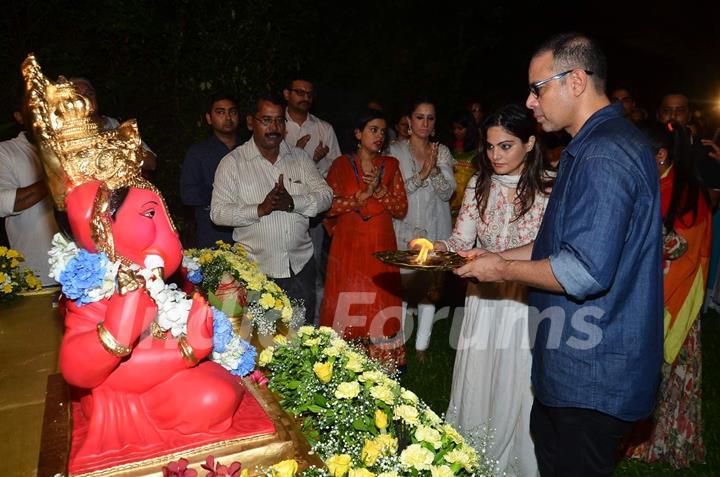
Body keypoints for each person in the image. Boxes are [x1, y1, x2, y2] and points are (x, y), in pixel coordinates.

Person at [455, 33, 663, 476]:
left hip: (592, 371)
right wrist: (488, 258)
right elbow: (554, 246)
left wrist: (503, 268)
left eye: (538, 88)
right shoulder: (586, 148)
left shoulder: (604, 154)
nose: (530, 103)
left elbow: (583, 270)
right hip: (569, 368)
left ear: (576, 81)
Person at [438, 104, 552, 476]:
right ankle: (470, 455)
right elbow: (461, 241)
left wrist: (497, 261)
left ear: (530, 142)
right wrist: (437, 250)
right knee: (478, 376)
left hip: (523, 300)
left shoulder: (550, 187)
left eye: (506, 146)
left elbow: (548, 249)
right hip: (482, 300)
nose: (495, 155)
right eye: (490, 147)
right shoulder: (477, 183)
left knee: (515, 380)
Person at [625, 121, 711, 468]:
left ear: (660, 155)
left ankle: (664, 443)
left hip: (675, 294)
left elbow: (680, 246)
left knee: (671, 370)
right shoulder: (649, 182)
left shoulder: (686, 191)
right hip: (644, 291)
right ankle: (637, 441)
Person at [211, 93, 332, 323]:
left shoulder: (299, 158)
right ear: (250, 123)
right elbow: (218, 212)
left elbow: (326, 196)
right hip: (256, 270)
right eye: (266, 120)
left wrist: (294, 203)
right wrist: (260, 209)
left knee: (301, 341)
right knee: (261, 343)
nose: (274, 127)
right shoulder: (233, 163)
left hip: (300, 266)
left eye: (279, 120)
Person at [320, 108, 407, 368]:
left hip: (381, 244)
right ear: (358, 134)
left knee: (381, 300)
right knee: (347, 300)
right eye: (373, 130)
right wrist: (357, 199)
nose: (379, 136)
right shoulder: (340, 165)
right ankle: (343, 368)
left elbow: (401, 208)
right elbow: (328, 207)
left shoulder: (391, 166)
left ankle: (383, 370)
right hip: (348, 246)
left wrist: (379, 191)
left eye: (382, 131)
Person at [389, 99, 455, 361]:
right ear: (409, 121)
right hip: (404, 226)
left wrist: (434, 167)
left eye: (430, 118)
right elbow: (395, 193)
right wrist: (421, 174)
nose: (425, 123)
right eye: (420, 117)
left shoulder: (444, 152)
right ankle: (399, 341)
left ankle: (422, 347)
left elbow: (448, 191)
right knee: (403, 287)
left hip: (435, 226)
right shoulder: (395, 151)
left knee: (428, 288)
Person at [283, 75, 341, 322]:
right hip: (280, 212)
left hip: (313, 214)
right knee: (281, 269)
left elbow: (337, 170)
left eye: (308, 93)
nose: (304, 97)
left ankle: (313, 327)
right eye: (299, 92)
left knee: (313, 268)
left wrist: (315, 164)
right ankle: (279, 325)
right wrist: (296, 152)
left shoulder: (323, 129)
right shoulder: (275, 126)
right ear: (287, 94)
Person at [0, 91, 58, 284]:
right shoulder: (6, 151)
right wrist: (60, 175)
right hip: (39, 276)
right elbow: (7, 203)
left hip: (89, 272)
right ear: (19, 116)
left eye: (45, 104)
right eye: (32, 107)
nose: (41, 111)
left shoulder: (67, 146)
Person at [180, 92, 241, 248]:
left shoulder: (250, 150)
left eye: (232, 112)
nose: (228, 117)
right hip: (213, 235)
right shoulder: (198, 153)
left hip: (249, 234)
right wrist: (223, 191)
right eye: (220, 112)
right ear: (209, 118)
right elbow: (188, 195)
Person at [71, 77, 157, 171]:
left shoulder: (114, 125)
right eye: (77, 95)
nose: (86, 98)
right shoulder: (61, 131)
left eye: (89, 94)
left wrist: (118, 153)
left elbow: (151, 161)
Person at [448, 111, 480, 221]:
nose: (456, 132)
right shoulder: (448, 151)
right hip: (449, 204)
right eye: (454, 128)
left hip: (468, 206)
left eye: (460, 128)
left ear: (469, 129)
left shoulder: (477, 153)